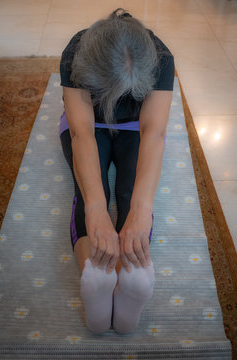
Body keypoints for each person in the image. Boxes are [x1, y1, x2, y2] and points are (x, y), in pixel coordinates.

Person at [59, 8, 175, 335]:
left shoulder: (162, 57)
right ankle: (97, 275)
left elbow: (154, 133)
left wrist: (142, 208)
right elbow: (81, 134)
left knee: (130, 193)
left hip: (135, 128)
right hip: (88, 126)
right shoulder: (74, 52)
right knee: (90, 195)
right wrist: (96, 210)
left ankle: (130, 276)